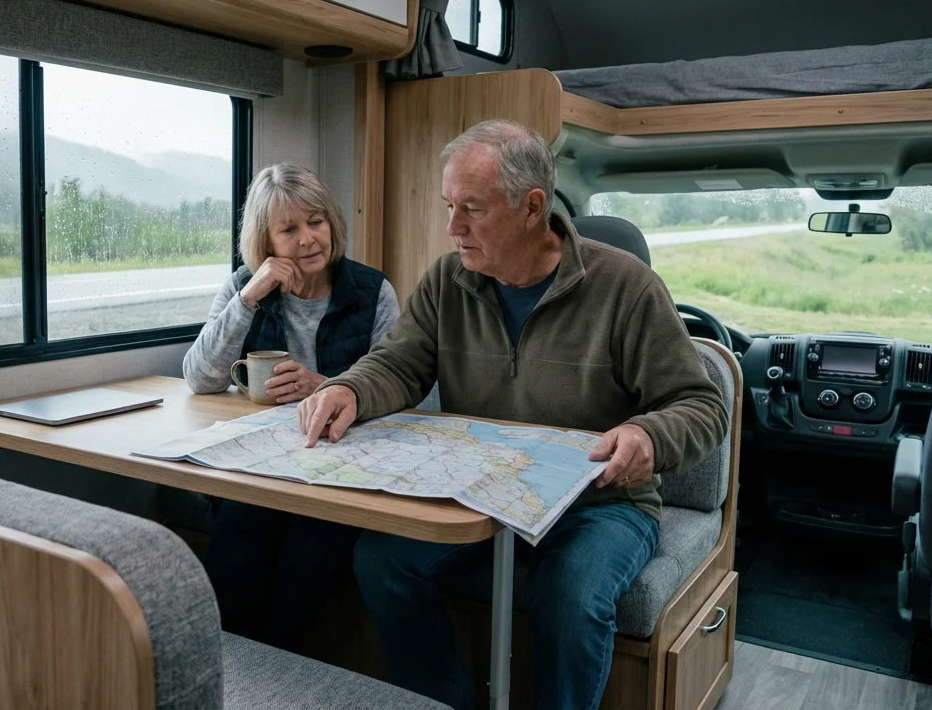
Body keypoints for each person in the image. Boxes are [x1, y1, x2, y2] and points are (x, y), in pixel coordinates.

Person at [296, 121, 727, 710]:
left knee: (570, 597)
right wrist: (350, 389)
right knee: (381, 559)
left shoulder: (626, 287)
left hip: (598, 505)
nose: (453, 227)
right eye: (450, 206)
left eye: (471, 209)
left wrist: (647, 434)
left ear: (532, 208)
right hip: (480, 492)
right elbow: (398, 364)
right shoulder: (448, 279)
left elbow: (701, 406)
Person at [183, 162, 400, 649]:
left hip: (341, 474)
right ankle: (229, 672)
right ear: (266, 241)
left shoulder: (372, 291)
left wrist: (327, 386)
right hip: (261, 468)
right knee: (239, 537)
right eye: (289, 229)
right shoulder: (245, 285)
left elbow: (410, 394)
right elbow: (199, 378)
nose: (308, 239)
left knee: (310, 552)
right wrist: (248, 297)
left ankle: (276, 674)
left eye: (316, 222)